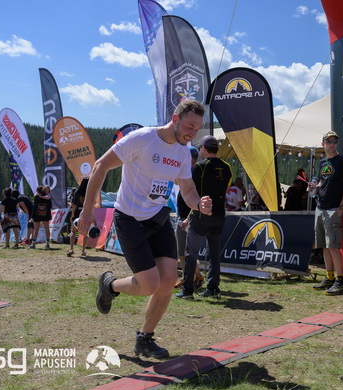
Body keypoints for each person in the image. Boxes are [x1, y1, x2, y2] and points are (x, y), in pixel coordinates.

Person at [78, 99, 212, 359]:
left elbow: (187, 190)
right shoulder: (142, 139)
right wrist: (87, 209)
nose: (192, 133)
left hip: (158, 218)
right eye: (189, 126)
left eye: (197, 129)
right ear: (175, 119)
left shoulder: (183, 152)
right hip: (129, 218)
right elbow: (100, 166)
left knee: (169, 280)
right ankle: (110, 285)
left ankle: (145, 339)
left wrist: (199, 204)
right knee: (149, 284)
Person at [176, 135, 232, 299]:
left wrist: (187, 217)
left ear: (204, 149)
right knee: (214, 253)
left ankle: (187, 290)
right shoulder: (227, 167)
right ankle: (213, 288)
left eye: (200, 148)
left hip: (200, 214)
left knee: (191, 252)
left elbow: (190, 191)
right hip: (219, 214)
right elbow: (225, 189)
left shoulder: (200, 166)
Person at [308, 131, 343, 296]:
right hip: (320, 207)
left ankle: (340, 282)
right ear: (323, 144)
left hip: (333, 209)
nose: (332, 144)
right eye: (329, 141)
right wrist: (315, 187)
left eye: (334, 141)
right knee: (324, 246)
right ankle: (329, 277)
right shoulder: (323, 162)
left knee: (333, 246)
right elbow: (322, 182)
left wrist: (341, 207)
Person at [174, 146, 205, 290]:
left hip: (186, 218)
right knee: (182, 252)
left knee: (184, 252)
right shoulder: (187, 171)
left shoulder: (193, 173)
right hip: (182, 216)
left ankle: (195, 277)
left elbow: (195, 198)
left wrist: (188, 218)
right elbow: (176, 181)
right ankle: (188, 277)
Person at [68, 179, 88, 257]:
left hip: (77, 213)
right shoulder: (89, 192)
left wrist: (72, 214)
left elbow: (74, 205)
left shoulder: (77, 192)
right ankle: (83, 250)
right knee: (85, 233)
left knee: (73, 231)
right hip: (85, 213)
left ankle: (71, 249)